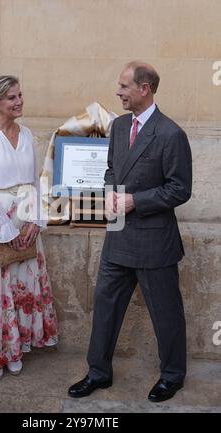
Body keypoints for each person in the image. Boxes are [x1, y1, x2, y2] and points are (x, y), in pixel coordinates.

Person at [68, 61, 192, 402]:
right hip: (118, 237)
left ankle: (172, 376)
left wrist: (135, 200)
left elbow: (180, 189)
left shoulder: (171, 134)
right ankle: (98, 372)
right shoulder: (120, 127)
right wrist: (110, 192)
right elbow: (111, 169)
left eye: (124, 86)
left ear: (144, 88)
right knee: (105, 306)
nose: (118, 92)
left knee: (166, 313)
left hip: (155, 243)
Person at [0, 75, 58, 379]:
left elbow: (33, 180)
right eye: (11, 98)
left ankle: (15, 349)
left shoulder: (27, 134)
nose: (19, 102)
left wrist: (35, 218)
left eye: (20, 95)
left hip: (24, 215)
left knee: (20, 284)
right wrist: (5, 224)